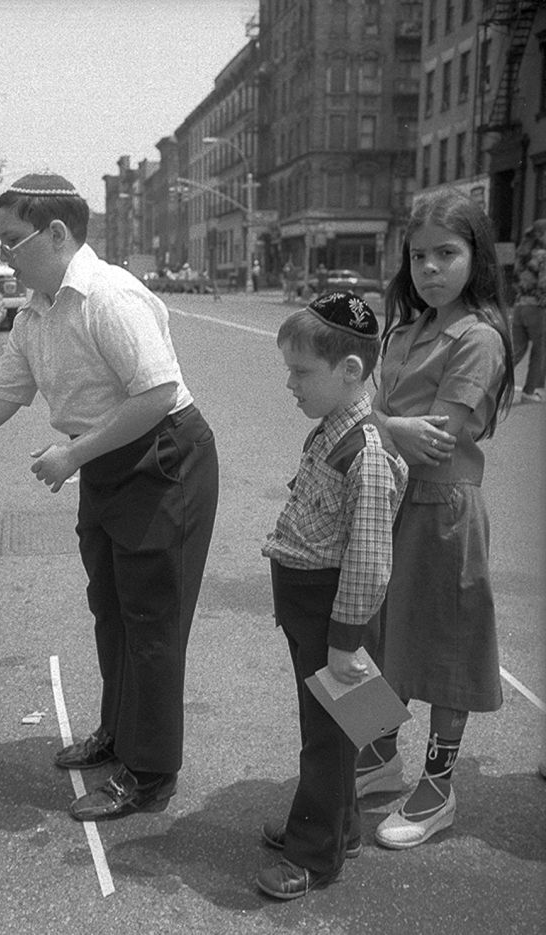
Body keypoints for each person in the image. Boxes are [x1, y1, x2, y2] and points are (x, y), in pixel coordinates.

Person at [0, 173, 219, 821]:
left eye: (12, 241)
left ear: (57, 233)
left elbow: (159, 393)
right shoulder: (36, 311)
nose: (4, 255)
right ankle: (119, 732)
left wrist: (74, 454)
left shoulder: (108, 297)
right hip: (107, 456)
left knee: (154, 623)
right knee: (112, 609)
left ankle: (150, 769)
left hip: (163, 456)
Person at [356, 188, 514, 849]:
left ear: (475, 256)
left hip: (442, 508)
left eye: (446, 253)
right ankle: (376, 751)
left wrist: (373, 420)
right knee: (365, 637)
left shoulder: (478, 337)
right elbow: (368, 404)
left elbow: (435, 438)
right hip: (383, 500)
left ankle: (438, 785)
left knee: (445, 650)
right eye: (418, 255)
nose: (429, 268)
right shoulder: (405, 326)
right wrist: (381, 420)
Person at [258, 293, 408, 900]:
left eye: (301, 372)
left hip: (333, 618)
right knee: (333, 729)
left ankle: (313, 856)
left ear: (350, 372)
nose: (290, 384)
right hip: (310, 610)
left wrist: (345, 643)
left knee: (327, 739)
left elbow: (369, 564)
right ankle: (339, 825)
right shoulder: (331, 431)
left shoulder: (366, 453)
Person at [510, 219, 545, 404]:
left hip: (519, 306)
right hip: (537, 309)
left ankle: (491, 384)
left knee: (516, 351)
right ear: (541, 235)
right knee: (540, 350)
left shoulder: (521, 254)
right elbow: (543, 284)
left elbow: (515, 282)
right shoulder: (542, 255)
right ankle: (529, 392)